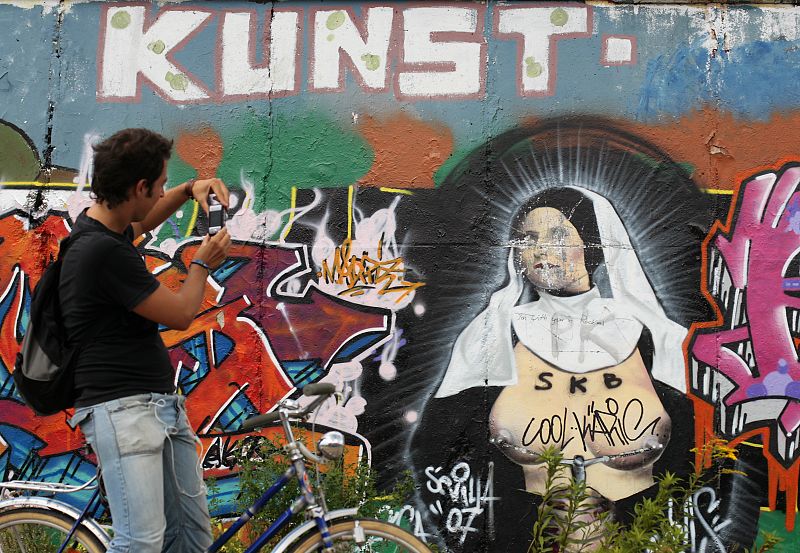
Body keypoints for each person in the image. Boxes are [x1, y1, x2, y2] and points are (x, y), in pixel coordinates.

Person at [412, 186, 694, 551]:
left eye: (559, 234)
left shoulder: (650, 338)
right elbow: (436, 451)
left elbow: (700, 448)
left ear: (594, 245)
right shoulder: (494, 334)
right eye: (529, 238)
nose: (541, 249)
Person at [62, 128, 231, 552]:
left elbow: (144, 220)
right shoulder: (101, 252)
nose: (161, 193)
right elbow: (180, 313)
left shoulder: (104, 228)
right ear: (138, 187)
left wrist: (192, 188)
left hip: (159, 406)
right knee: (141, 544)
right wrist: (201, 265)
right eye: (158, 186)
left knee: (191, 539)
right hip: (124, 413)